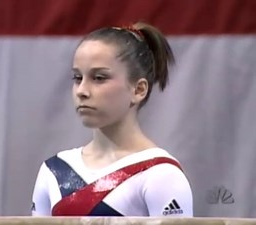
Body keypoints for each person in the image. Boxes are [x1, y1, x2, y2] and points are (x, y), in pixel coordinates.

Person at [31, 21, 193, 217]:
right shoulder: (54, 170)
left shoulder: (161, 175)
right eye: (77, 78)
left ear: (138, 89)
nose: (82, 91)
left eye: (99, 78)